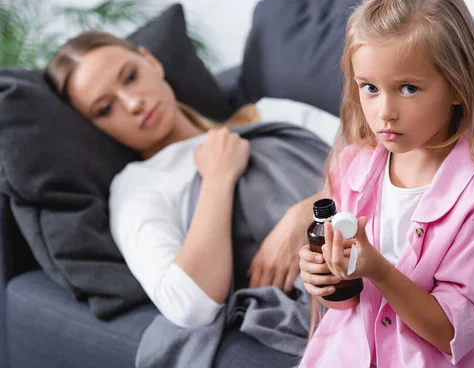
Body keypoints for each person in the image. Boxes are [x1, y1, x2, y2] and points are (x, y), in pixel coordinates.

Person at [298, 0, 474, 368]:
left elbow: (451, 333)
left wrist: (379, 270)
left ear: (457, 87)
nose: (384, 111)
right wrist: (326, 278)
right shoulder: (353, 166)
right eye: (369, 87)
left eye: (408, 88)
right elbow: (349, 299)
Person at [44, 32, 321, 329]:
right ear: (96, 128)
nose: (133, 103)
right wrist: (218, 178)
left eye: (130, 77)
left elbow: (373, 155)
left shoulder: (271, 113)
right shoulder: (139, 187)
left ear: (152, 62)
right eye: (106, 109)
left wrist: (304, 217)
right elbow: (188, 306)